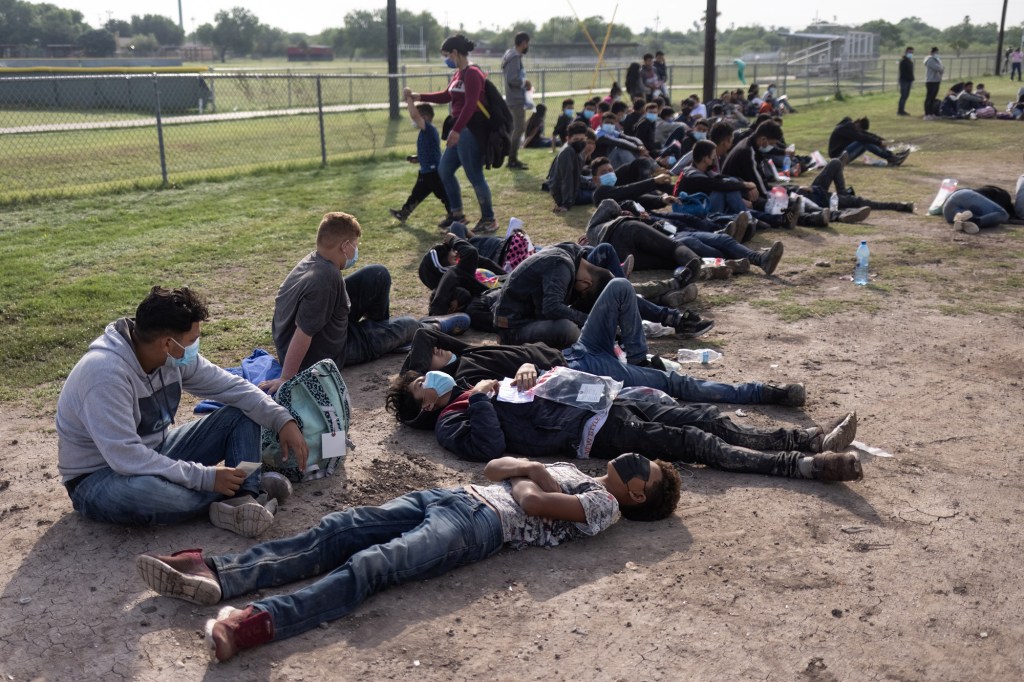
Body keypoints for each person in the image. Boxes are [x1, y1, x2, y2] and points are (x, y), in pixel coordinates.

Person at [136, 454, 681, 662]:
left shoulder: (605, 505)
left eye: (645, 473)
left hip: (479, 526)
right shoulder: (582, 472)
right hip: (453, 496)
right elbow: (495, 469)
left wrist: (532, 471)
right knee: (339, 528)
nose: (636, 463)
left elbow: (532, 499)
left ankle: (254, 624)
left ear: (637, 496)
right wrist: (525, 472)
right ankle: (218, 573)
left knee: (373, 563)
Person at [56, 286, 308, 537]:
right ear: (168, 343)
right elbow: (126, 457)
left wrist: (282, 419)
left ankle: (244, 498)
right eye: (191, 341)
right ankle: (240, 491)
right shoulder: (104, 375)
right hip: (97, 479)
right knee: (147, 494)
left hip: (155, 451)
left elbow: (232, 387)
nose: (195, 347)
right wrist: (205, 478)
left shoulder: (171, 357)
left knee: (243, 412)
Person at [387, 283, 803, 431]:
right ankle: (765, 392)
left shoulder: (460, 361)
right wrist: (526, 368)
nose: (431, 372)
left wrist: (422, 373)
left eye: (424, 375)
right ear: (427, 405)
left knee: (620, 286)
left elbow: (425, 333)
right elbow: (509, 389)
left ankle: (643, 361)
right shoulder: (466, 393)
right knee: (681, 387)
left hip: (579, 348)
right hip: (576, 368)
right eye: (426, 382)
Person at [427, 370, 863, 482]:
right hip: (590, 434)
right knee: (694, 443)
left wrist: (524, 368)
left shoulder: (472, 382)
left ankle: (809, 439)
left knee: (703, 417)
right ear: (424, 408)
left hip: (602, 401)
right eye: (421, 388)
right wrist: (481, 398)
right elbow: (488, 447)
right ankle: (802, 465)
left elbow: (528, 370)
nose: (430, 381)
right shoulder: (451, 421)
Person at [263, 212, 421, 394]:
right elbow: (303, 331)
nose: (356, 249)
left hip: (325, 331)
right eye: (355, 244)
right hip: (327, 351)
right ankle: (378, 340)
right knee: (411, 325)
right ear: (345, 246)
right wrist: (286, 377)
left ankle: (379, 333)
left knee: (377, 274)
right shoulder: (325, 279)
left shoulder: (313, 261)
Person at [407, 35, 497, 234]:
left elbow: (470, 104)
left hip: (470, 130)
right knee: (445, 169)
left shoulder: (473, 73)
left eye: (447, 55)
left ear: (456, 53)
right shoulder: (458, 74)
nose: (446, 59)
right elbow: (446, 95)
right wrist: (420, 96)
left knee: (474, 174)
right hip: (459, 129)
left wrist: (456, 130)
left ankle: (489, 218)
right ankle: (457, 215)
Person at [388, 99, 450, 225]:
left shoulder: (430, 129)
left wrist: (409, 99)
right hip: (425, 171)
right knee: (416, 195)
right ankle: (403, 213)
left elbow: (414, 115)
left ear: (425, 117)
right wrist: (418, 158)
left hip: (433, 172)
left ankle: (454, 216)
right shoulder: (424, 132)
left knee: (444, 195)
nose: (414, 120)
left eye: (417, 117)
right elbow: (428, 151)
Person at [827, 117, 908, 167]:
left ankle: (892, 156)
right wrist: (879, 142)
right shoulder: (846, 128)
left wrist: (880, 140)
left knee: (865, 140)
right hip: (838, 158)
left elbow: (866, 134)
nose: (860, 132)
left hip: (843, 155)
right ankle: (891, 158)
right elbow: (862, 136)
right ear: (858, 124)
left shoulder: (851, 127)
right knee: (862, 141)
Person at [502, 31, 530, 170]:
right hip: (516, 98)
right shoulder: (514, 57)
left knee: (516, 129)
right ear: (523, 43)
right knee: (519, 128)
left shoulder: (510, 54)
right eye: (527, 43)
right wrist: (524, 82)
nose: (527, 46)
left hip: (513, 97)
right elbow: (512, 79)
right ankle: (512, 160)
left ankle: (512, 158)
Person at [923, 47, 944, 119]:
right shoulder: (930, 60)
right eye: (936, 53)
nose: (937, 54)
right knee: (929, 98)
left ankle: (932, 113)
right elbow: (939, 68)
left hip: (936, 80)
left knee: (933, 98)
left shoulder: (937, 60)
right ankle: (927, 114)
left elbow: (941, 68)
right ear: (932, 53)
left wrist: (941, 68)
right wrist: (941, 68)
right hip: (931, 81)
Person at [897, 47, 915, 116]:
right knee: (903, 95)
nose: (911, 54)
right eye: (910, 52)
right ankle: (900, 111)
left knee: (906, 96)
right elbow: (904, 72)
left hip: (909, 80)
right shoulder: (904, 61)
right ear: (906, 52)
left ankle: (902, 109)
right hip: (904, 80)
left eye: (912, 52)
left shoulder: (910, 61)